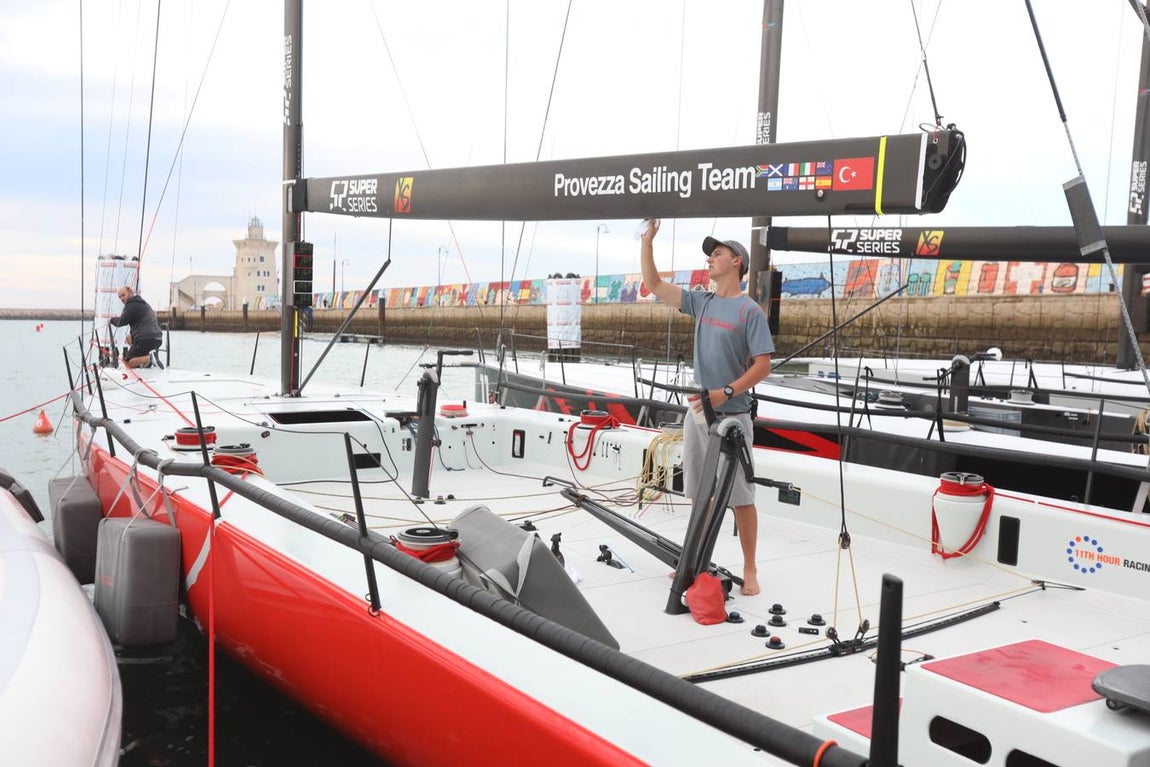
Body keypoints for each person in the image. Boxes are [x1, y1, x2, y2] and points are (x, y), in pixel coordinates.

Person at [639, 221, 774, 596]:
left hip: (734, 415)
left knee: (741, 496)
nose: (710, 259)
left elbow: (763, 365)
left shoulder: (749, 312)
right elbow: (653, 284)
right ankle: (693, 558)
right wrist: (648, 242)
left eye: (717, 254)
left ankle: (750, 568)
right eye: (710, 254)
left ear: (737, 261)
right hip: (699, 412)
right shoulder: (702, 302)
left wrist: (726, 392)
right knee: (699, 492)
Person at [109, 285, 163, 369]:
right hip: (157, 339)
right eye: (120, 297)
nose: (122, 298)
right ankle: (145, 360)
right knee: (128, 338)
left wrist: (111, 320)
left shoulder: (131, 305)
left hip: (146, 339)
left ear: (130, 293)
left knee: (127, 362)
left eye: (123, 295)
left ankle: (149, 358)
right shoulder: (143, 303)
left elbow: (121, 321)